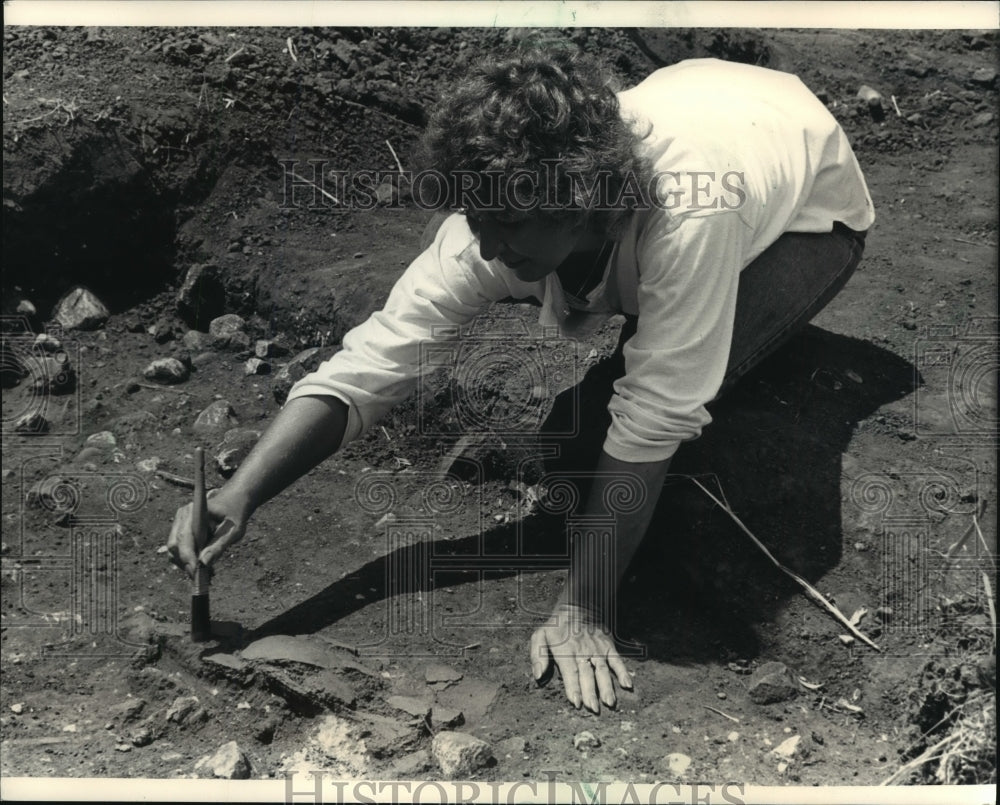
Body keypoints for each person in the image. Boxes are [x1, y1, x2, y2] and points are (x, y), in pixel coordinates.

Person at [169, 44, 874, 714]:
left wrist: (585, 607)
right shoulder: (505, 206)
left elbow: (655, 413)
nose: (487, 242)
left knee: (599, 427)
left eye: (507, 224)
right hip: (719, 100)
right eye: (477, 217)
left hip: (811, 210)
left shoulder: (692, 212)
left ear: (583, 198)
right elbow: (376, 361)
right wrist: (243, 492)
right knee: (588, 411)